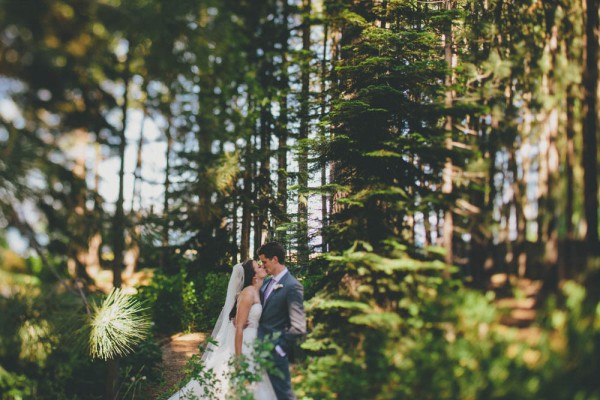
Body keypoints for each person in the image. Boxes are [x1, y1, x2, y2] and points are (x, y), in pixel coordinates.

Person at [168, 259, 276, 399]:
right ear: (254, 276)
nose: (262, 266)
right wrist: (238, 362)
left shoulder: (257, 291)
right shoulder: (248, 293)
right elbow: (239, 330)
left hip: (254, 344)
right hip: (244, 346)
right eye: (258, 266)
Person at [258, 241, 307, 400]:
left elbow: (299, 327)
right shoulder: (266, 283)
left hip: (275, 354)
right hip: (258, 350)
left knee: (283, 396)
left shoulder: (292, 286)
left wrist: (278, 349)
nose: (263, 266)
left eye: (264, 262)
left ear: (275, 259)